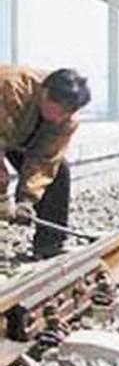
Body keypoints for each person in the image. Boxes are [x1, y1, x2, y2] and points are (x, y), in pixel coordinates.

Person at [0, 66, 91, 259]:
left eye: (65, 114)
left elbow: (45, 161)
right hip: (5, 126)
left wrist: (27, 200)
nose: (58, 119)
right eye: (56, 110)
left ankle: (50, 245)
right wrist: (2, 196)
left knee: (59, 172)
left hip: (17, 135)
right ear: (45, 93)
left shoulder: (66, 121)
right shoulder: (10, 87)